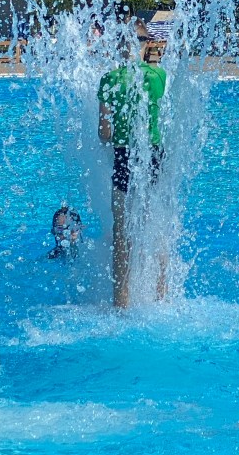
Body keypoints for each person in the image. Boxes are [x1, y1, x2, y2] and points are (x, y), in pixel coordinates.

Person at [98, 39, 168, 308]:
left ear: (118, 46)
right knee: (155, 221)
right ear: (145, 45)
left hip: (124, 154)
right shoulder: (158, 75)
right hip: (153, 153)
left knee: (121, 230)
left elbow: (104, 133)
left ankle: (122, 302)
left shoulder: (109, 79)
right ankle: (161, 296)